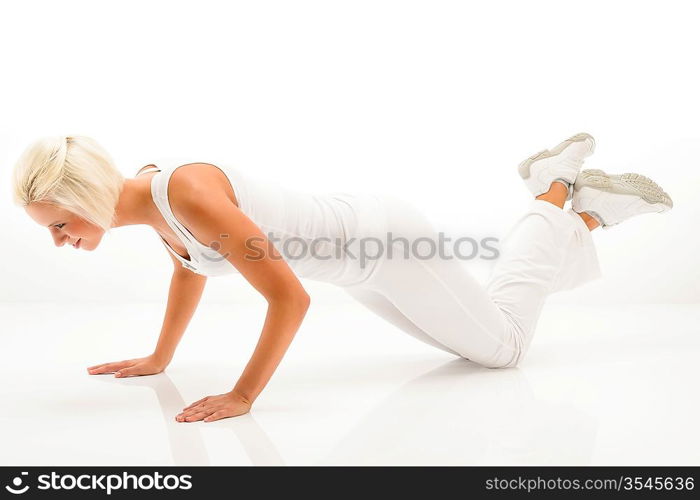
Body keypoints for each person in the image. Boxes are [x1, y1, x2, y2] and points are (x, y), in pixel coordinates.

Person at [11, 133, 673, 423]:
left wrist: (243, 396)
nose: (59, 241)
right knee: (489, 328)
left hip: (384, 244)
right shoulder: (152, 199)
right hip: (357, 265)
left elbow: (287, 298)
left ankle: (554, 191)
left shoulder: (184, 193)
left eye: (59, 224)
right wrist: (161, 357)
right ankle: (576, 212)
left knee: (503, 349)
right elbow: (191, 269)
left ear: (87, 195)